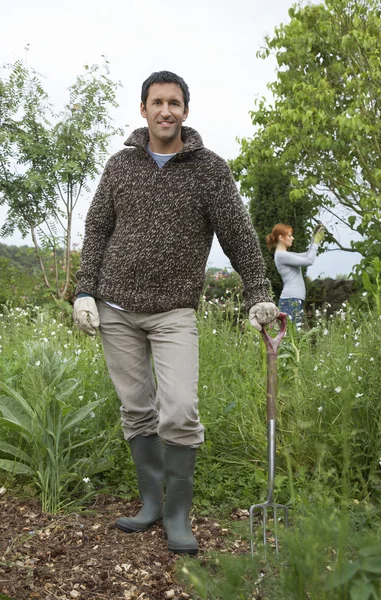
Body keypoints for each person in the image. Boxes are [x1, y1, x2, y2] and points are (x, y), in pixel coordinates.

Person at [73, 71, 279, 555]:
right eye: (156, 101)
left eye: (174, 102)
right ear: (142, 109)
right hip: (116, 307)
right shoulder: (120, 166)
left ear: (186, 111)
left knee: (180, 410)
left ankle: (177, 513)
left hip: (173, 313)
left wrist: (258, 293)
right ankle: (150, 503)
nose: (165, 110)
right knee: (137, 409)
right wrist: (85, 292)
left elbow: (239, 236)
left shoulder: (209, 169)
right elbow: (98, 228)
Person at [266, 223, 325, 324]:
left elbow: (307, 255)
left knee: (292, 335)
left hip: (294, 299)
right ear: (281, 237)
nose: (292, 238)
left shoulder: (285, 255)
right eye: (289, 236)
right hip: (290, 300)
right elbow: (309, 261)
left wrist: (313, 238)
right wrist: (315, 242)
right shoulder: (281, 255)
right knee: (290, 335)